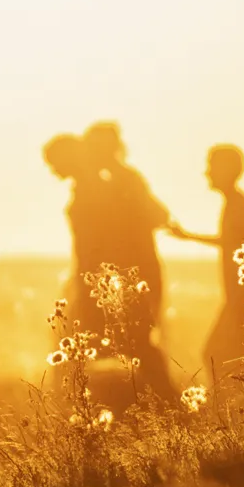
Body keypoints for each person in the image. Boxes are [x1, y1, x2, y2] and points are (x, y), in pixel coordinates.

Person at [82, 121, 175, 399]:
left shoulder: (123, 181)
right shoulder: (120, 180)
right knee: (135, 343)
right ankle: (160, 403)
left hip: (137, 275)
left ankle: (168, 402)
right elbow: (159, 215)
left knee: (139, 342)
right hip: (132, 274)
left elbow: (158, 215)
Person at [169, 144, 244, 373]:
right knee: (230, 356)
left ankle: (231, 396)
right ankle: (241, 395)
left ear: (227, 170)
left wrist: (243, 299)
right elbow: (232, 242)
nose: (207, 173)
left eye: (211, 166)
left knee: (216, 354)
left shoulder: (238, 204)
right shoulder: (235, 202)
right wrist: (187, 236)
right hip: (242, 298)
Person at [43, 133, 110, 334]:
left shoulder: (93, 189)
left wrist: (89, 281)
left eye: (54, 163)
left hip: (96, 276)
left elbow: (100, 239)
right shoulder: (88, 186)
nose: (53, 170)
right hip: (88, 273)